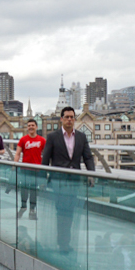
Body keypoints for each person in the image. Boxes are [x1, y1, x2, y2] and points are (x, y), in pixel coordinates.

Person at [41, 106, 96, 254]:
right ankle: (63, 244)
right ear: (61, 119)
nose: (69, 120)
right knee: (62, 212)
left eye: (72, 117)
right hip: (59, 181)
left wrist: (91, 174)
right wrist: (42, 179)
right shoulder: (53, 137)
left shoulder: (81, 137)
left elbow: (88, 157)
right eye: (67, 117)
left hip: (74, 182)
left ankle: (65, 242)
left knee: (70, 212)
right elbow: (45, 159)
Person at [14, 118, 47, 216]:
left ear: (36, 127)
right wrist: (14, 165)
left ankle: (32, 210)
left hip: (37, 170)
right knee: (24, 190)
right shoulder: (23, 139)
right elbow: (18, 153)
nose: (31, 127)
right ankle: (23, 207)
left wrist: (45, 169)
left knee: (34, 191)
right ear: (27, 128)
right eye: (29, 126)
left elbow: (46, 154)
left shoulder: (42, 140)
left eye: (32, 125)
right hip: (25, 169)